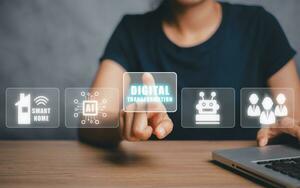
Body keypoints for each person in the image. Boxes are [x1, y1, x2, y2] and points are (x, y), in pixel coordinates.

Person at [79, 0, 300, 147]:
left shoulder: (259, 26)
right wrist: (122, 123)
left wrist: (284, 129)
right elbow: (91, 121)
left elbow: (295, 121)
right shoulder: (132, 31)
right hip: (158, 185)